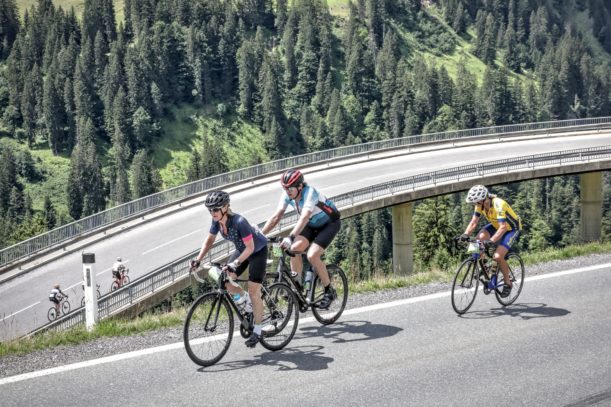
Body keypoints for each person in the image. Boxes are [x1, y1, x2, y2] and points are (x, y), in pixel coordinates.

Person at [190, 190, 268, 348]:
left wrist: (235, 263)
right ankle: (247, 303)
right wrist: (198, 260)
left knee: (254, 291)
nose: (212, 213)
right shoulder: (217, 221)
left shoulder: (239, 221)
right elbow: (209, 241)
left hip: (257, 251)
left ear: (225, 207)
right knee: (224, 279)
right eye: (210, 210)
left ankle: (258, 331)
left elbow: (251, 247)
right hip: (242, 250)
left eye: (215, 209)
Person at [261, 169, 341, 309]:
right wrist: (260, 235)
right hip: (311, 225)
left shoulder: (310, 192)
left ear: (299, 186)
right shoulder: (287, 194)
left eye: (290, 188)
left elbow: (304, 217)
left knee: (312, 256)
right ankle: (297, 285)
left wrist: (291, 237)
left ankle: (329, 290)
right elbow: (276, 217)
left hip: (329, 224)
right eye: (285, 188)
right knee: (294, 249)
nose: (287, 191)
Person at [460, 185, 522, 298]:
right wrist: (465, 234)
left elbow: (503, 227)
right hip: (495, 225)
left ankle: (508, 283)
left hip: (511, 229)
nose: (475, 204)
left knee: (497, 256)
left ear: (483, 200)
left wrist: (491, 241)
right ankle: (485, 267)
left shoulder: (499, 204)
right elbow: (474, 222)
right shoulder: (481, 205)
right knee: (476, 242)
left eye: (476, 202)